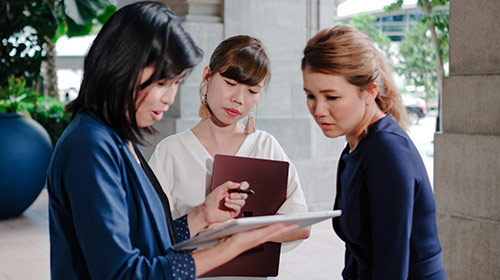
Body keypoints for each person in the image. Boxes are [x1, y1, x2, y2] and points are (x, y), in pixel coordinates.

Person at [46, 2, 296, 279]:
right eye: (163, 83)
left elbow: (147, 242)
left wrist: (202, 215)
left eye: (176, 83)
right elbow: (123, 273)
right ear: (123, 66)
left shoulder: (118, 140)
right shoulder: (89, 147)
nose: (170, 98)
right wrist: (228, 248)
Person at [148, 35, 310, 278]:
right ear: (207, 77)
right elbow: (148, 235)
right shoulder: (170, 151)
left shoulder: (265, 146)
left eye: (252, 90)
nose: (239, 99)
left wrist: (239, 229)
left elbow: (301, 226)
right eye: (230, 83)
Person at [301, 25, 446, 279]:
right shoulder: (356, 147)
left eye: (331, 97)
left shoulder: (386, 153)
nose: (318, 109)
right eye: (311, 96)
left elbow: (390, 269)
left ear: (369, 92)